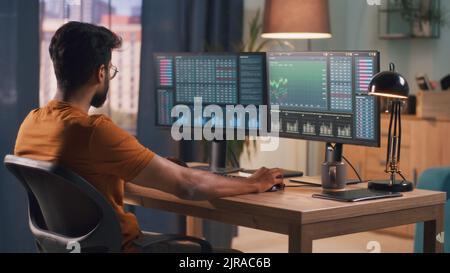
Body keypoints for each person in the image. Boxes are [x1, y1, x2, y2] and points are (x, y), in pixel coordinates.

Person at [14, 21, 283, 253]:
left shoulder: (31, 124)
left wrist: (154, 167)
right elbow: (187, 186)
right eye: (111, 69)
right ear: (100, 72)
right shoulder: (92, 131)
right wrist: (254, 183)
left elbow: (82, 179)